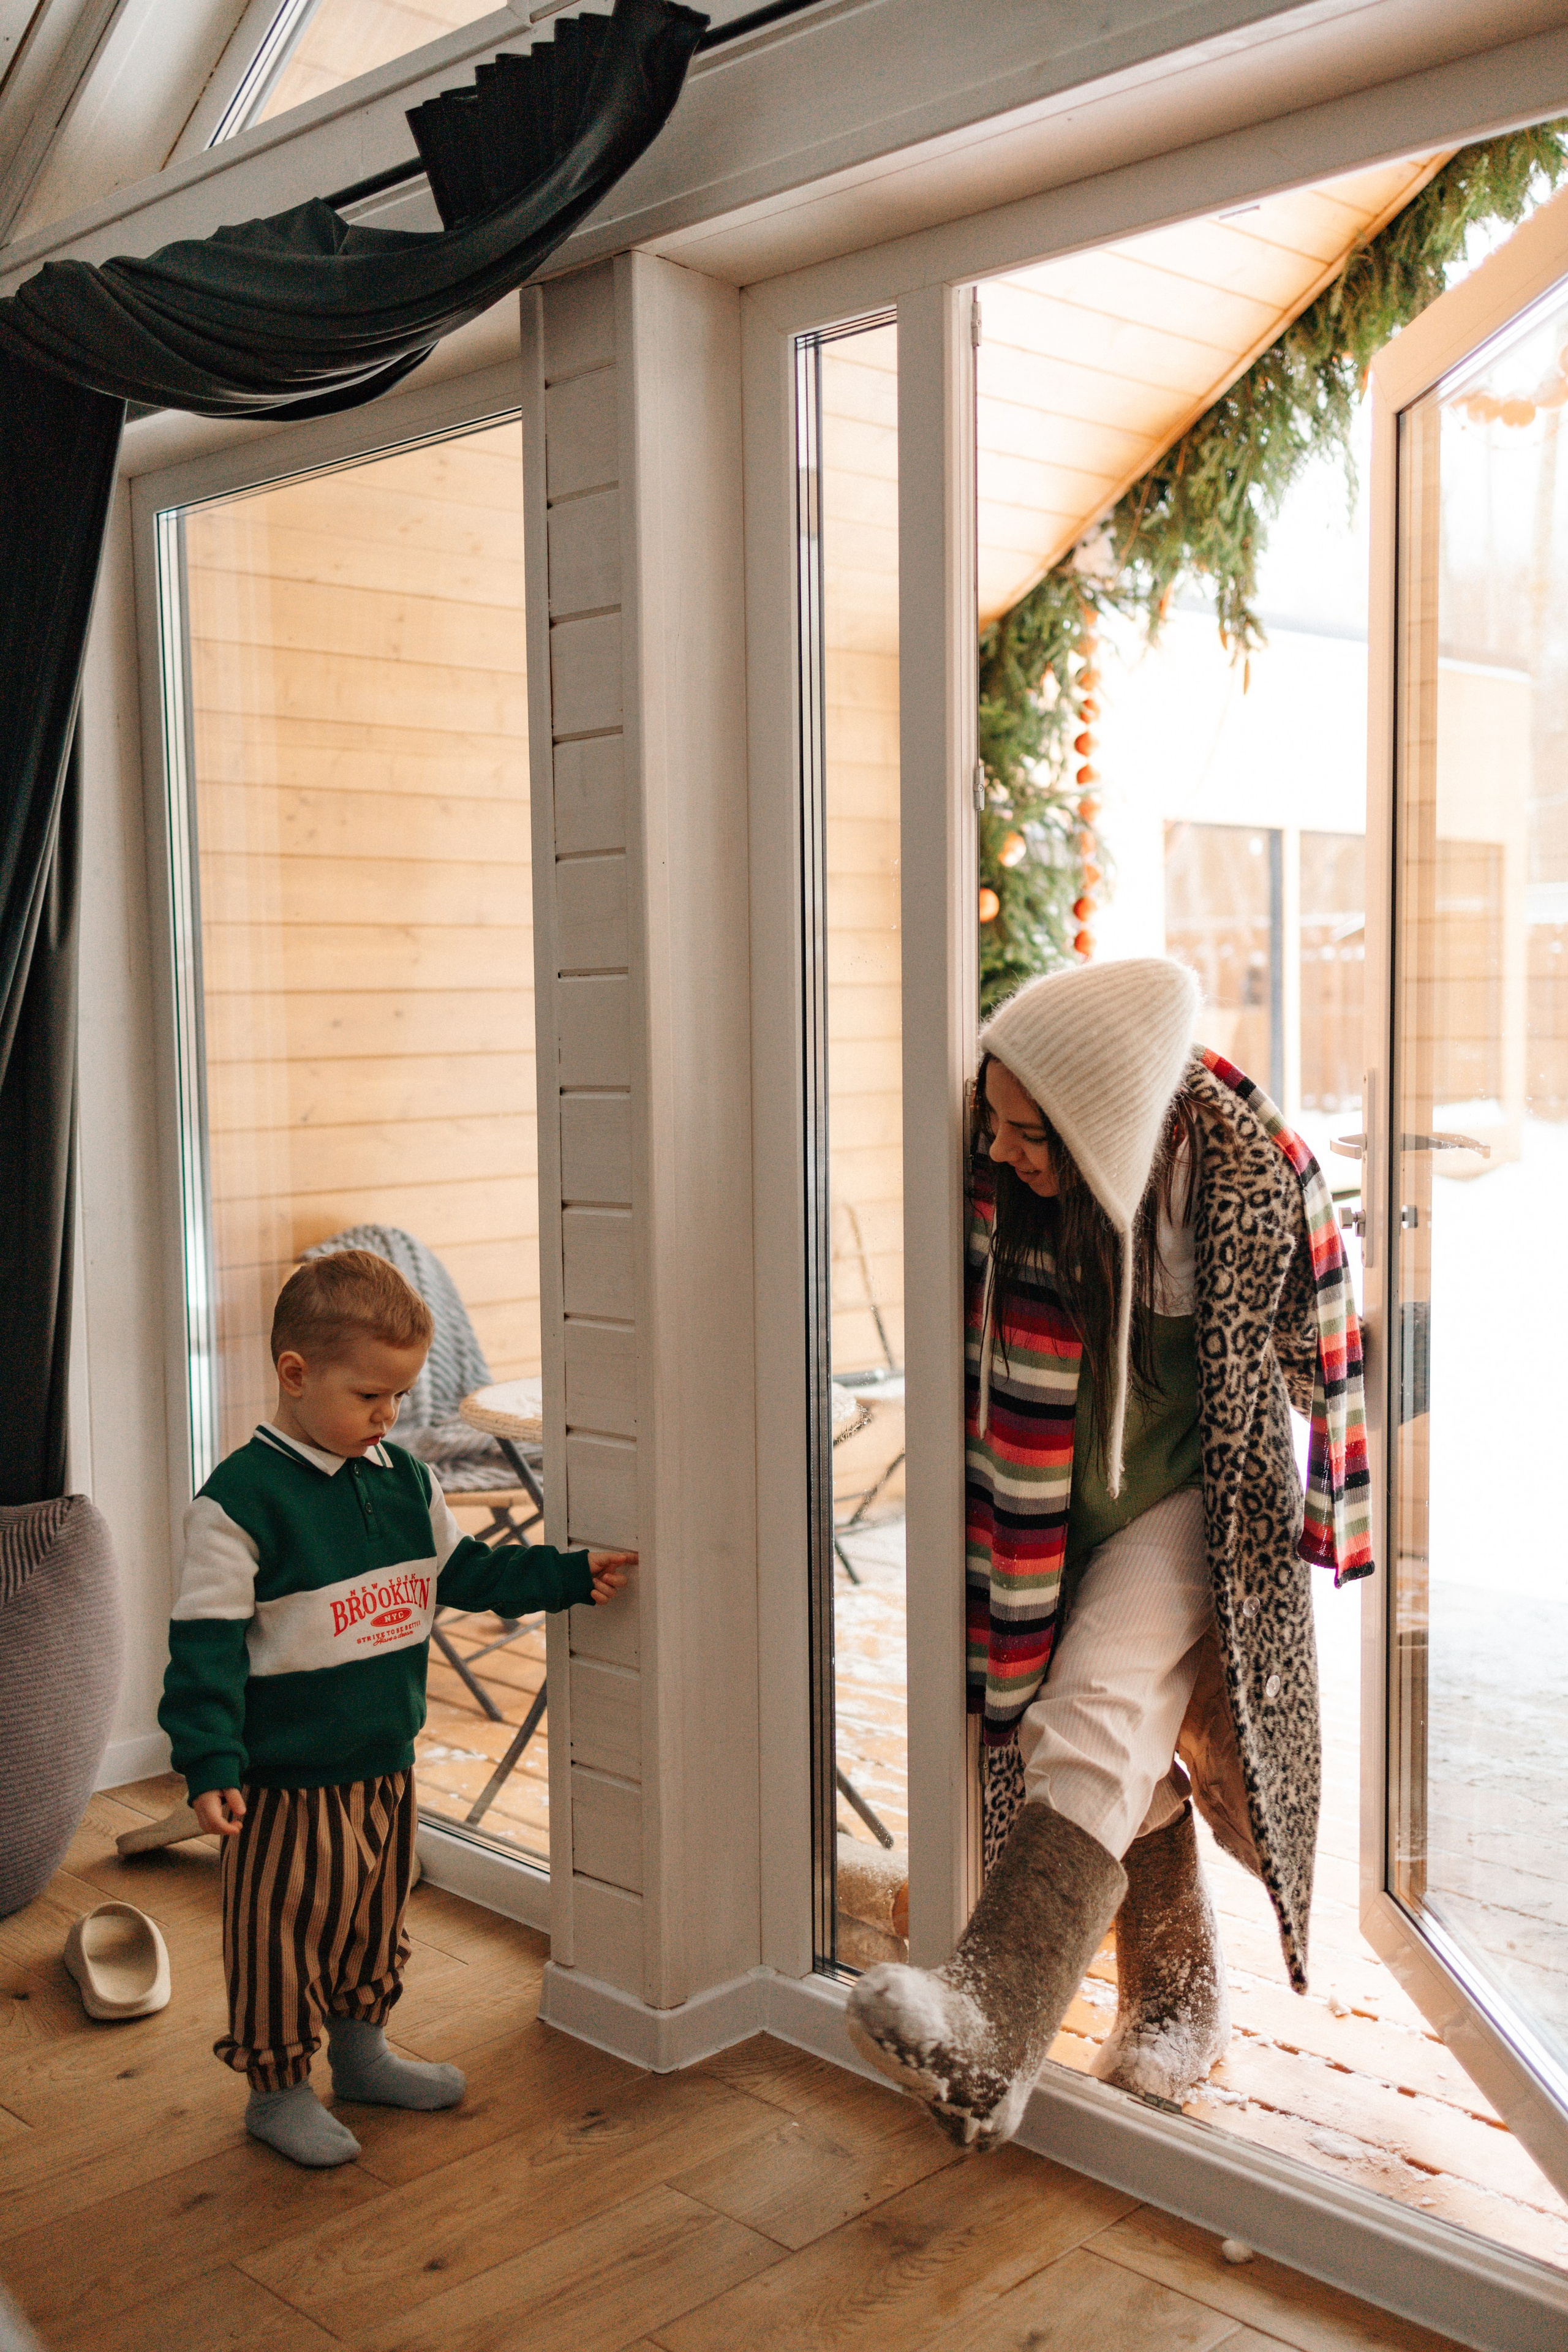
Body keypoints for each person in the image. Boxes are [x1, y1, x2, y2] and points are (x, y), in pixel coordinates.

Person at [848, 957, 1370, 2149]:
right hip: (1040, 1496)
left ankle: (990, 2022)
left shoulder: (1240, 1177)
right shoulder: (1006, 1198)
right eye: (996, 1128)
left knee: (1094, 1704)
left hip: (1190, 1500)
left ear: (1103, 1123)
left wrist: (1350, 1484)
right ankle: (1174, 1985)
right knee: (1091, 1735)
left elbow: (1327, 1351)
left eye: (1032, 1137)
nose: (1003, 1155)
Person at [158, 1250, 635, 2169]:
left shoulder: (405, 1481)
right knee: (280, 1936)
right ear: (296, 1376)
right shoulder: (238, 1505)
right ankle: (278, 2090)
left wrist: (568, 1574)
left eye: (400, 1397)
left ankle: (363, 2054)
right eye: (371, 1396)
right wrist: (209, 1762)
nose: (390, 1417)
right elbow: (204, 1650)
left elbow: (467, 1576)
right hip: (282, 1783)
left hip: (384, 1764)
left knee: (371, 1917)